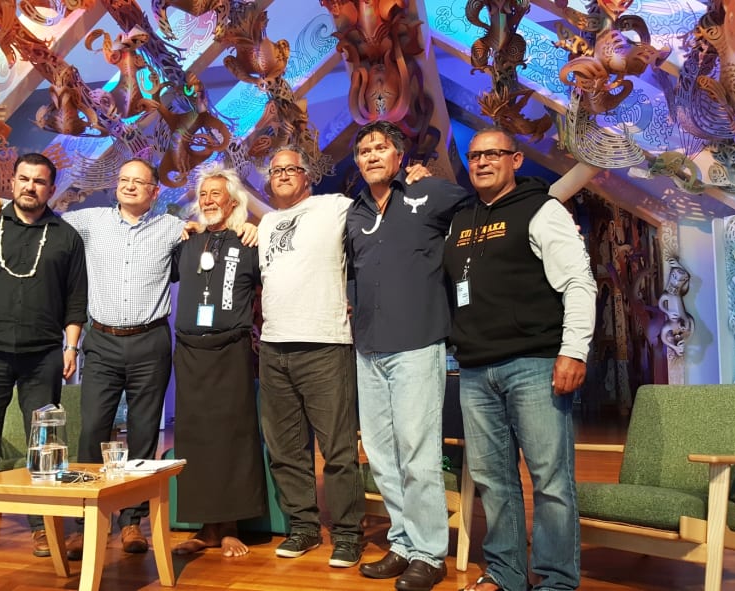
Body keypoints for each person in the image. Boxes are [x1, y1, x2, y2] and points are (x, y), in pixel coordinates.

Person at [0, 157, 254, 559]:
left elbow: (214, 233)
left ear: (155, 192)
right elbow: (40, 210)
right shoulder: (88, 222)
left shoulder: (175, 229)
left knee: (143, 434)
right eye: (124, 180)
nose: (129, 186)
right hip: (100, 342)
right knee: (92, 432)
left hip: (151, 341)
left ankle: (132, 523)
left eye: (140, 182)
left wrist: (247, 224)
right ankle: (86, 525)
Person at [442, 127, 597, 591]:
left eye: (493, 154)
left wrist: (573, 350)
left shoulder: (542, 209)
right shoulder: (460, 218)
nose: (482, 162)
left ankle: (555, 580)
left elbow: (579, 283)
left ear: (515, 160)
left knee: (551, 480)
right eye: (475, 156)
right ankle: (507, 574)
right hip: (474, 369)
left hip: (534, 364)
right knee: (493, 480)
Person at [0, 152, 88, 564]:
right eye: (23, 179)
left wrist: (71, 346)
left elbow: (76, 299)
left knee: (45, 446)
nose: (30, 187)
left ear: (50, 188)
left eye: (39, 181)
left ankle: (43, 530)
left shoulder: (65, 236)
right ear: (12, 182)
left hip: (43, 355)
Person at [346, 120, 473, 591]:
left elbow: (481, 203)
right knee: (380, 456)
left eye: (381, 148)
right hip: (368, 348)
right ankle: (402, 543)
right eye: (364, 150)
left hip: (418, 343)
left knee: (418, 453)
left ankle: (429, 554)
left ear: (399, 157)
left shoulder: (430, 194)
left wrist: (433, 171)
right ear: (357, 162)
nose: (372, 155)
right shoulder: (354, 213)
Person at [255, 146, 365, 568]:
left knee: (337, 450)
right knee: (284, 449)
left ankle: (347, 534)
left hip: (324, 345)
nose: (283, 175)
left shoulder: (333, 206)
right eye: (277, 170)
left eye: (291, 168)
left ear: (307, 175)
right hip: (273, 345)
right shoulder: (264, 222)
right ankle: (302, 527)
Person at [170, 165, 266, 558]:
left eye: (216, 194)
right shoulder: (187, 243)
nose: (208, 200)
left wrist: (260, 227)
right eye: (203, 194)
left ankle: (230, 527)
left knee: (233, 437)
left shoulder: (249, 241)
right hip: (191, 353)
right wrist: (184, 231)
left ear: (232, 201)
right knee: (194, 439)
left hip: (232, 351)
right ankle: (205, 528)